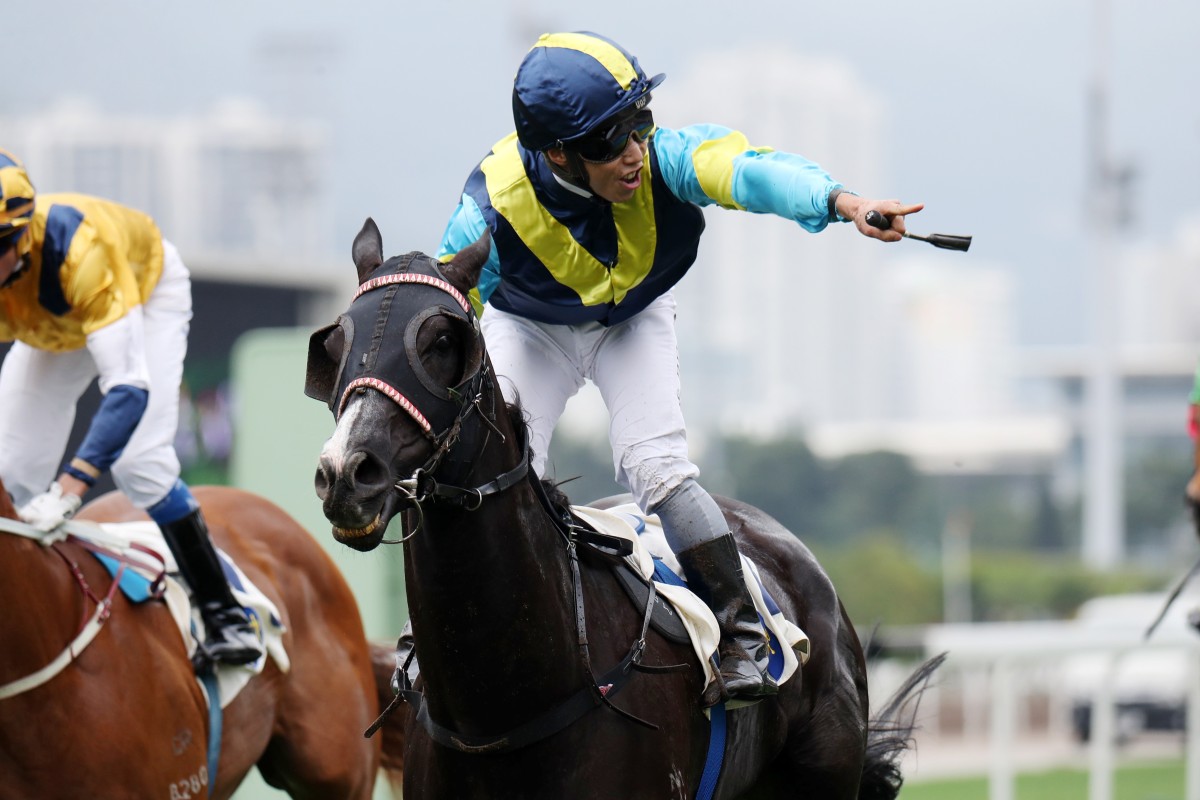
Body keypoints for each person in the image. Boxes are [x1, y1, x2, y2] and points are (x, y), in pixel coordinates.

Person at [435, 32, 922, 704]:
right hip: (531, 328)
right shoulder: (490, 206)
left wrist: (843, 203)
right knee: (496, 469)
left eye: (638, 123)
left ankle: (743, 632)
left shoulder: (665, 158)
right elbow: (442, 310)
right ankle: (429, 636)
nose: (634, 152)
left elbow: (749, 172)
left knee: (655, 465)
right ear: (556, 153)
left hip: (633, 316)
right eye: (610, 140)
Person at [0, 148, 262, 666]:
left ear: (20, 237)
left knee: (139, 463)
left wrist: (71, 486)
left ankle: (228, 615)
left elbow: (129, 390)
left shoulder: (80, 251)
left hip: (142, 293)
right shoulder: (15, 259)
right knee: (12, 475)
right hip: (53, 321)